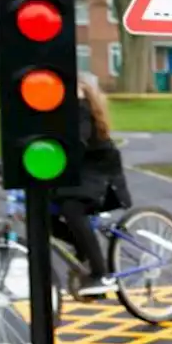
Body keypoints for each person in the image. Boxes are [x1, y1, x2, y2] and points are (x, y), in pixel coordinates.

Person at [50, 73, 132, 297]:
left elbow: (78, 142)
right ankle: (84, 248)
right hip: (75, 171)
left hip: (98, 173)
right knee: (42, 216)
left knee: (71, 207)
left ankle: (101, 273)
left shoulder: (82, 108)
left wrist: (75, 100)